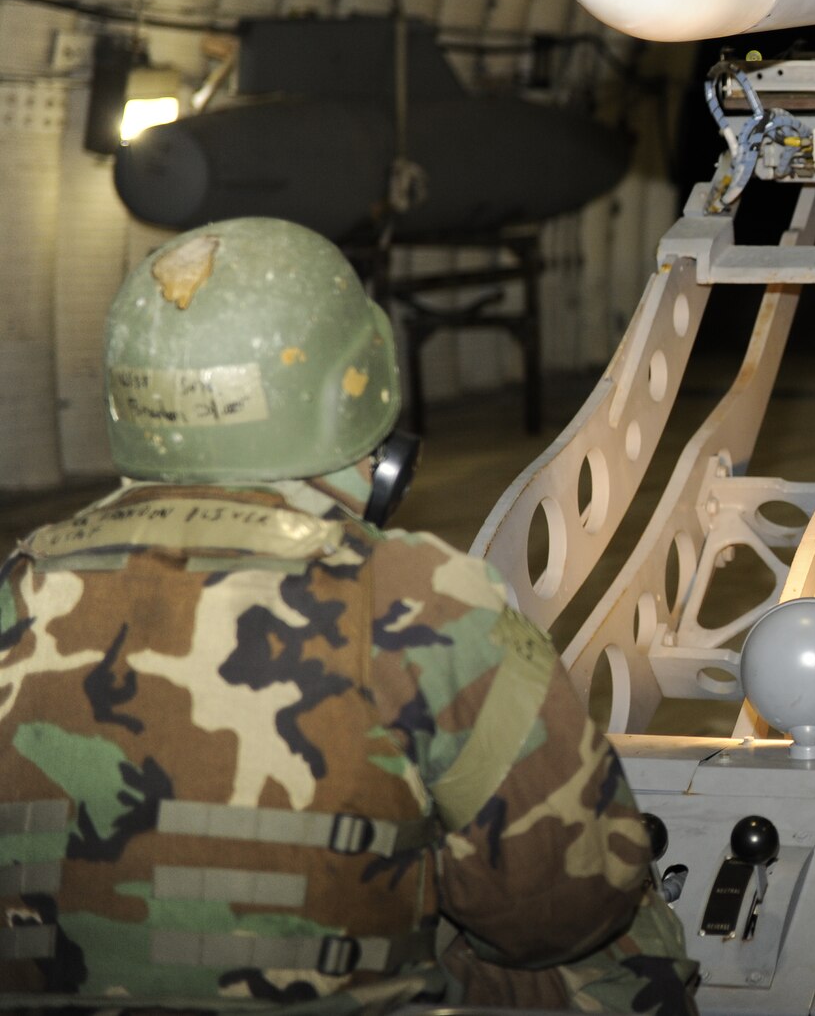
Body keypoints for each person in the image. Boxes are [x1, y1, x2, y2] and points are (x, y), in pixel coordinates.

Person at [0, 217, 697, 1013]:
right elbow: (560, 906)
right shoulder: (417, 595)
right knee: (626, 949)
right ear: (355, 384)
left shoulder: (17, 584)